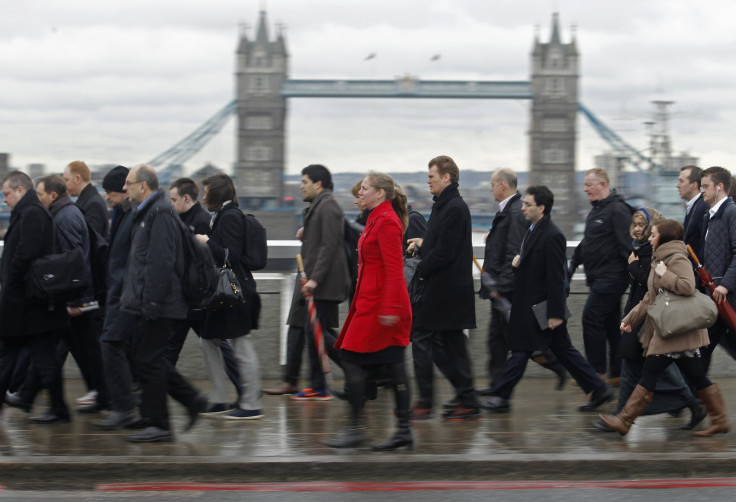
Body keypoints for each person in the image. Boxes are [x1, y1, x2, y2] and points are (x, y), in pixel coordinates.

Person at [480, 186, 613, 414]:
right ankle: (599, 389)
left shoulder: (553, 235)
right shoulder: (534, 230)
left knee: (521, 352)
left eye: (527, 204)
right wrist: (519, 264)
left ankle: (502, 396)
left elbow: (555, 278)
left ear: (541, 207)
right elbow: (538, 268)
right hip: (535, 306)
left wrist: (555, 313)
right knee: (565, 352)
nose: (523, 208)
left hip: (541, 309)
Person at [599, 219, 729, 437]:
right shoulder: (659, 259)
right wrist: (631, 319)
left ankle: (624, 420)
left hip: (676, 328)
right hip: (672, 328)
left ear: (664, 238)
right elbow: (651, 297)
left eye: (653, 235)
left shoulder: (676, 258)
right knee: (697, 375)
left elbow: (688, 286)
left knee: (650, 373)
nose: (649, 238)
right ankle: (719, 419)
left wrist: (664, 274)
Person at [324, 172, 413, 450]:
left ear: (380, 194)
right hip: (371, 304)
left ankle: (360, 429)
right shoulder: (377, 217)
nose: (359, 193)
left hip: (382, 307)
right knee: (392, 368)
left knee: (352, 359)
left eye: (364, 189)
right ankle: (401, 431)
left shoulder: (387, 222)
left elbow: (394, 270)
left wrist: (389, 308)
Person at [120, 165, 208, 442]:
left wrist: (152, 305)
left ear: (143, 186)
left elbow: (161, 264)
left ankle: (161, 425)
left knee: (149, 361)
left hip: (159, 304)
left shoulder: (159, 214)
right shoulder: (148, 213)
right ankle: (183, 403)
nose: (125, 188)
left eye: (128, 183)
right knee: (146, 359)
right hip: (148, 301)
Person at [478, 168, 567, 396]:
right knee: (497, 341)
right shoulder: (510, 211)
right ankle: (497, 387)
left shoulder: (517, 212)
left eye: (492, 184)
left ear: (503, 186)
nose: (490, 189)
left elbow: (516, 253)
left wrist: (503, 287)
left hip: (507, 290)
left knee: (519, 344)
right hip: (502, 288)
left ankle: (555, 366)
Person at [407, 155, 479, 420]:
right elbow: (443, 243)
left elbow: (446, 252)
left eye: (431, 176)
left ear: (446, 177)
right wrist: (425, 242)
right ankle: (467, 398)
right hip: (449, 290)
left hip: (444, 291)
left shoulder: (454, 208)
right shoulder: (445, 205)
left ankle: (425, 403)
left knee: (423, 339)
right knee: (451, 346)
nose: (428, 181)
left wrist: (420, 268)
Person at [0, 171, 70, 423]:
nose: (4, 199)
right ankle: (59, 409)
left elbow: (24, 255)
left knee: (20, 354)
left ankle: (59, 409)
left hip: (25, 303)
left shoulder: (31, 214)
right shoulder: (31, 212)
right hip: (29, 304)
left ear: (20, 190)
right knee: (42, 358)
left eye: (6, 193)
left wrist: (10, 284)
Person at [167, 177, 241, 412]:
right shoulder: (183, 218)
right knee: (207, 342)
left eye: (174, 199)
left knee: (207, 342)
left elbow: (203, 260)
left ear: (186, 198)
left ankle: (243, 388)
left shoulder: (200, 221)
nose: (171, 203)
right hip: (188, 296)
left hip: (194, 297)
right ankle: (243, 387)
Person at [195, 173, 264, 420]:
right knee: (209, 339)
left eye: (205, 192)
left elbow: (231, 256)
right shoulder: (225, 215)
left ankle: (250, 402)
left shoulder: (230, 217)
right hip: (230, 290)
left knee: (240, 343)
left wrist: (205, 241)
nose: (203, 197)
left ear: (215, 193)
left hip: (236, 291)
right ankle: (221, 397)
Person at [291, 164, 350, 401]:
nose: (301, 187)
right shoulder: (320, 206)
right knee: (315, 332)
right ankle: (318, 386)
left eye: (304, 182)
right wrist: (309, 229)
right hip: (321, 284)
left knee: (319, 333)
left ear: (318, 184)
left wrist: (315, 279)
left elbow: (330, 246)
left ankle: (356, 368)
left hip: (325, 284)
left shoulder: (328, 206)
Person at [569, 168, 632, 385]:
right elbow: (589, 242)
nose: (585, 189)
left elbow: (628, 247)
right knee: (610, 324)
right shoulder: (597, 210)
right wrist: (572, 265)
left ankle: (595, 374)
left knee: (591, 318)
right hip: (598, 277)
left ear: (602, 185)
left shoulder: (618, 210)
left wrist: (640, 278)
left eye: (588, 185)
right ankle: (616, 373)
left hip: (612, 277)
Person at [93, 166, 140, 429]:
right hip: (118, 293)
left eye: (109, 192)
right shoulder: (121, 213)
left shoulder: (133, 215)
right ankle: (191, 399)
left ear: (124, 189)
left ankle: (124, 408)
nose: (107, 197)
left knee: (111, 345)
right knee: (138, 354)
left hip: (125, 294)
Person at [62, 160, 109, 409]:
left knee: (87, 344)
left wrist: (84, 294)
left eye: (67, 178)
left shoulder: (89, 204)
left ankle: (100, 392)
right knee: (78, 343)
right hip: (87, 290)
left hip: (88, 291)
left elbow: (87, 250)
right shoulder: (88, 201)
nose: (65, 182)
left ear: (78, 178)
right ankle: (98, 390)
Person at [697, 166, 736, 373]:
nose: (701, 190)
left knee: (703, 348)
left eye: (705, 186)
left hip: (725, 296)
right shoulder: (710, 215)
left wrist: (725, 286)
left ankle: (693, 399)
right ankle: (695, 398)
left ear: (719, 187)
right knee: (703, 348)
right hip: (714, 296)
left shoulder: (731, 213)